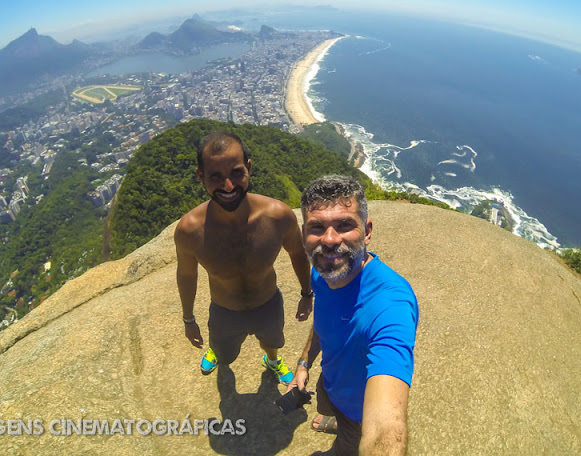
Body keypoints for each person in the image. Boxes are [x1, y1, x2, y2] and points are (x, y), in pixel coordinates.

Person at [288, 175, 419, 456]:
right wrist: (304, 364)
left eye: (345, 225)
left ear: (367, 231)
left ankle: (342, 433)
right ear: (303, 235)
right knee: (326, 405)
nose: (330, 239)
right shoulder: (323, 271)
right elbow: (324, 319)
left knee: (346, 447)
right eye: (317, 227)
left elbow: (386, 427)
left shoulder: (390, 304)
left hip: (360, 412)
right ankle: (335, 420)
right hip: (331, 382)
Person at [174, 130, 313, 385]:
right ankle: (217, 351)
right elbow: (186, 275)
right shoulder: (190, 231)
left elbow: (298, 253)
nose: (228, 186)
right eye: (216, 176)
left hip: (268, 303)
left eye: (236, 173)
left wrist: (307, 294)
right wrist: (188, 319)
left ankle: (271, 361)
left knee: (272, 342)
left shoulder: (278, 216)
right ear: (201, 176)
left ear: (248, 167)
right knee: (225, 353)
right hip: (224, 311)